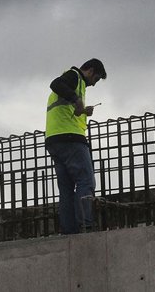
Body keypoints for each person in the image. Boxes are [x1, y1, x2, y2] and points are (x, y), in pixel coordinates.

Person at [45, 58, 107, 234]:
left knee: (66, 189)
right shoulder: (74, 76)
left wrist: (83, 109)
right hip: (70, 139)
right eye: (95, 79)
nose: (93, 85)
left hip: (54, 140)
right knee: (85, 180)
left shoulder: (74, 83)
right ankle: (85, 225)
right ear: (91, 71)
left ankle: (69, 230)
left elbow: (67, 108)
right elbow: (55, 83)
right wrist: (77, 99)